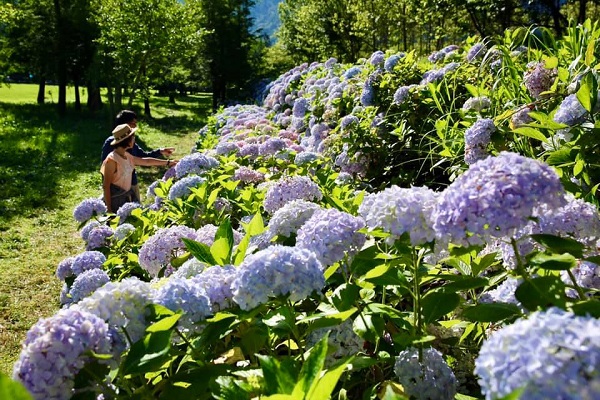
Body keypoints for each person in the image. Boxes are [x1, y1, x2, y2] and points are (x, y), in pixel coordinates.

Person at [101, 124, 178, 213]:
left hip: (127, 199)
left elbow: (146, 161)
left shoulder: (126, 156)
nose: (134, 139)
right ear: (127, 140)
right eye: (133, 137)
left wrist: (168, 162)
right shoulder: (111, 160)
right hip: (116, 202)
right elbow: (106, 186)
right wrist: (109, 210)